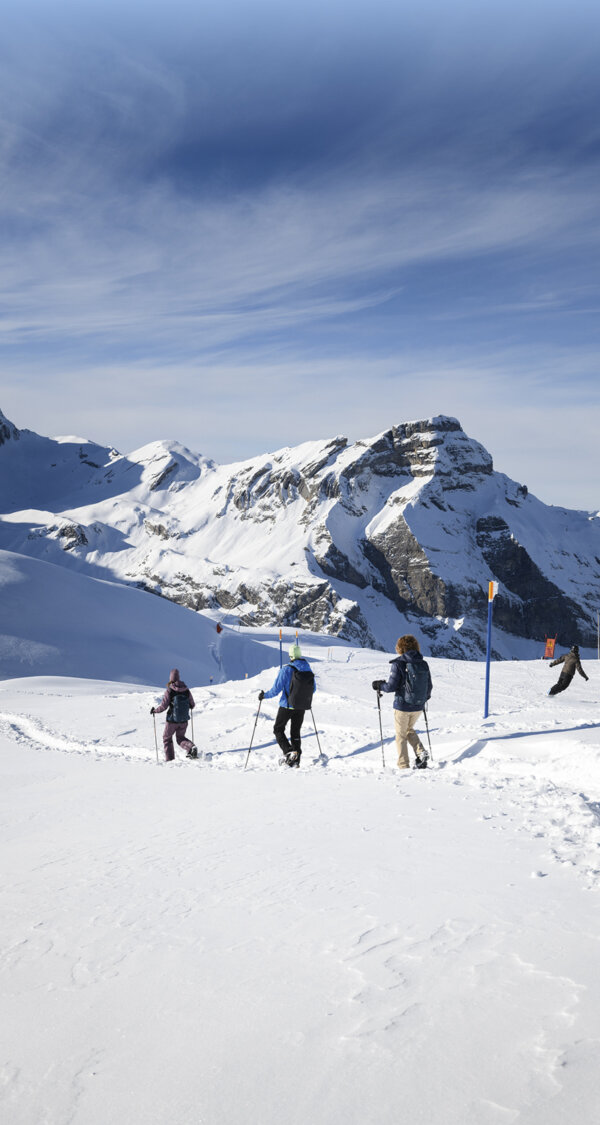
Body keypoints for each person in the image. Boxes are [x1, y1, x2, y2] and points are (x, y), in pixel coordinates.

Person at [372, 634, 432, 770]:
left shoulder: (398, 663)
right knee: (408, 730)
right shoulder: (423, 663)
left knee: (400, 736)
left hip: (403, 706)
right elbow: (429, 686)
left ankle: (403, 766)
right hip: (418, 706)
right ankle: (421, 753)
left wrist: (379, 685)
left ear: (400, 648)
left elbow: (391, 686)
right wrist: (422, 699)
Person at [259, 644, 316, 768]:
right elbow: (314, 689)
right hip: (301, 706)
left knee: (278, 729)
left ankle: (289, 752)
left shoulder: (286, 669)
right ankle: (296, 760)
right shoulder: (307, 669)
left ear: (290, 656)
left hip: (286, 706)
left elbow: (275, 690)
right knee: (295, 732)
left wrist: (264, 696)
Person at [151, 668, 198, 761]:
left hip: (172, 721)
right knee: (180, 738)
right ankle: (191, 747)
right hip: (184, 720)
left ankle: (170, 760)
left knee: (167, 738)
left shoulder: (170, 690)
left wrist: (155, 711)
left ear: (171, 678)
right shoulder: (186, 690)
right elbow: (192, 705)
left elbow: (163, 706)